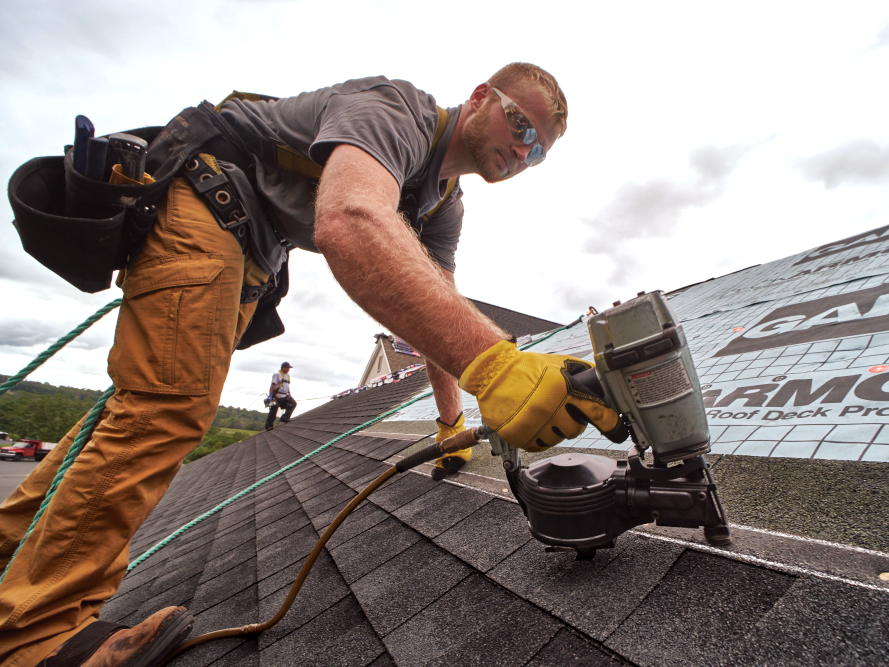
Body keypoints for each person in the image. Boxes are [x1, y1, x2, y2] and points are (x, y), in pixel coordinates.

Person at [0, 63, 625, 666]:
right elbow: (350, 219)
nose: (523, 151)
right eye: (521, 126)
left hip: (249, 247)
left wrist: (449, 424)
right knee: (163, 410)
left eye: (538, 150)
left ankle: (11, 552)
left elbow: (437, 303)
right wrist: (498, 369)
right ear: (482, 96)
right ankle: (35, 635)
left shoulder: (443, 206)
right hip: (207, 199)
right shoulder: (395, 109)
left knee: (139, 408)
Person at [265, 362, 297, 430]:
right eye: (288, 368)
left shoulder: (287, 375)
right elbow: (272, 385)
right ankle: (268, 426)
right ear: (283, 368)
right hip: (277, 395)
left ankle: (284, 418)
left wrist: (289, 394)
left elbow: (287, 386)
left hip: (286, 395)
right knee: (274, 409)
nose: (289, 370)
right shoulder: (277, 374)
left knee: (293, 404)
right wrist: (270, 396)